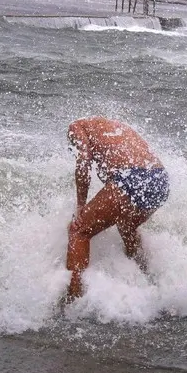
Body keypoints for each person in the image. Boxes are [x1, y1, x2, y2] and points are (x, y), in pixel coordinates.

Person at [65, 117, 170, 301]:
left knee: (78, 231)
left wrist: (81, 205)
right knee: (126, 226)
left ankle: (72, 299)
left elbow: (83, 162)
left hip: (133, 176)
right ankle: (152, 285)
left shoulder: (76, 126)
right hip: (160, 180)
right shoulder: (117, 128)